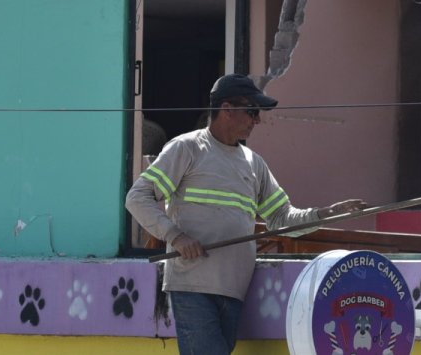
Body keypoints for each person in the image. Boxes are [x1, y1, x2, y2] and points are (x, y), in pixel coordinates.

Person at [126, 74, 365, 354]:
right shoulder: (187, 148)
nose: (257, 120)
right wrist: (175, 236)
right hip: (192, 287)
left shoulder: (254, 164)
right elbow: (137, 197)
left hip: (235, 290)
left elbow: (281, 219)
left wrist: (325, 214)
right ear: (227, 109)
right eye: (252, 111)